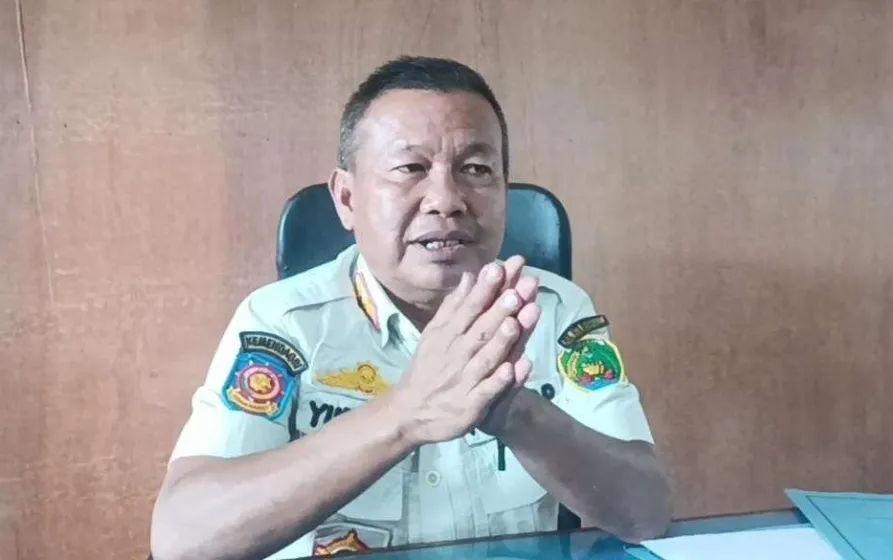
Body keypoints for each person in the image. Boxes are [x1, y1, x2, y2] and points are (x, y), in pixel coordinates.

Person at [150, 56, 672, 560]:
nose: (446, 199)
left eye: (476, 169)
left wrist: (516, 413)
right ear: (347, 199)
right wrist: (406, 413)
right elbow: (183, 537)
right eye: (409, 168)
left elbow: (645, 514)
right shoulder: (282, 323)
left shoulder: (553, 309)